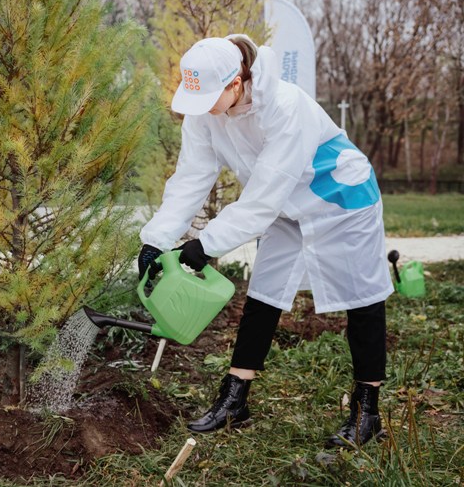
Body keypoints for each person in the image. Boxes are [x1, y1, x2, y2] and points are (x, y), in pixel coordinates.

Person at [138, 35, 393, 448]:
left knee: (362, 299)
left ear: (236, 83)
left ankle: (367, 415)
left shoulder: (285, 107)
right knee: (264, 294)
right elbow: (190, 179)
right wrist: (156, 239)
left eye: (207, 97)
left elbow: (261, 200)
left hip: (342, 197)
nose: (198, 108)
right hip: (285, 207)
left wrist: (205, 244)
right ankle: (235, 401)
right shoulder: (204, 111)